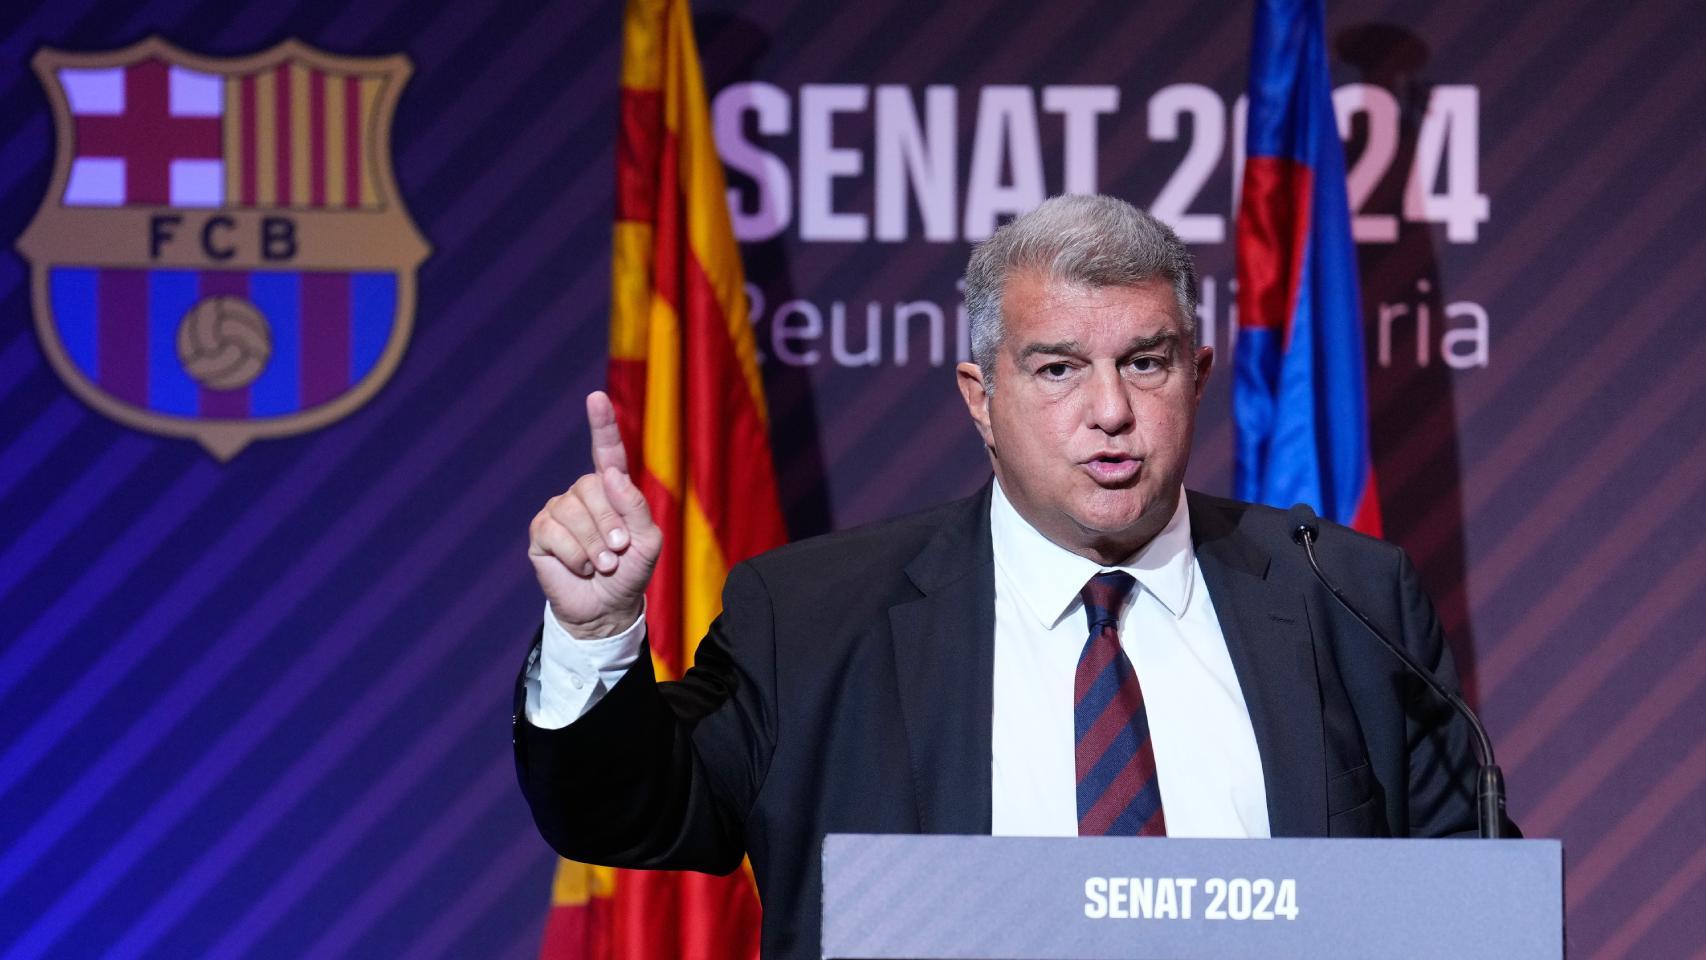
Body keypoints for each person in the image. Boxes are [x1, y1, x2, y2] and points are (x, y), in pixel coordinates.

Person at [515, 194, 1496, 958]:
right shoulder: (813, 618)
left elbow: (1471, 914)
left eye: (1144, 363)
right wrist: (596, 631)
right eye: (1058, 369)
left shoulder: (1345, 598)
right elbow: (629, 812)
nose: (1109, 410)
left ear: (1197, 375)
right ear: (980, 396)